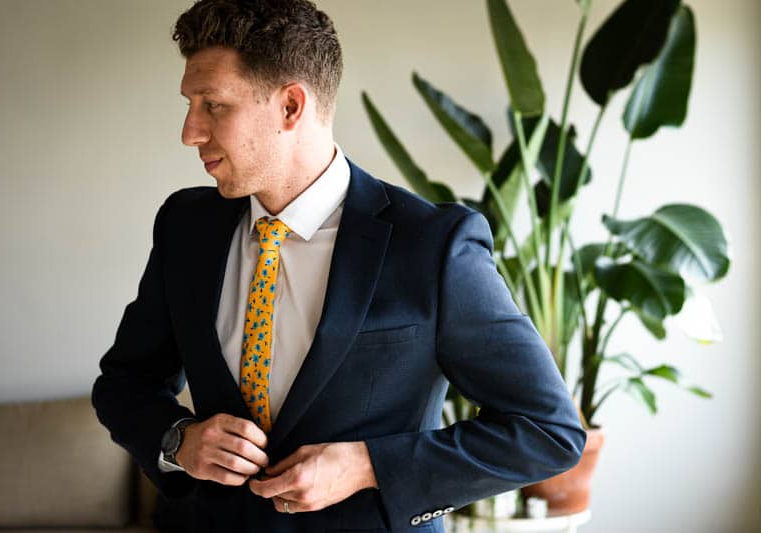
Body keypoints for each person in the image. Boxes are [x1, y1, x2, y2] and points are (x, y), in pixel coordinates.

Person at [91, 1, 587, 532]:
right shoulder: (186, 226)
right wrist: (178, 440)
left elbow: (548, 431)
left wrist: (370, 465)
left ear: (291, 107)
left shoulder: (433, 246)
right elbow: (125, 382)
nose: (190, 131)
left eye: (213, 105)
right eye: (191, 104)